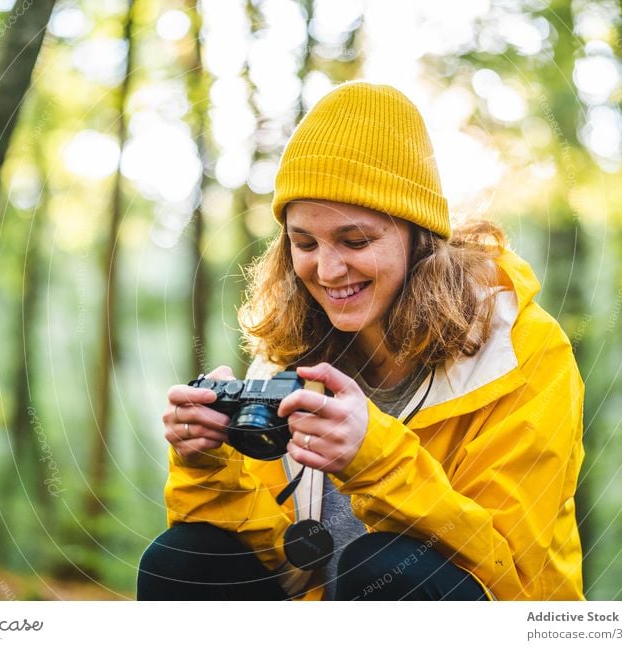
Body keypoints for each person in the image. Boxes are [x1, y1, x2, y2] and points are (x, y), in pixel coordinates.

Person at [137, 81, 585, 601]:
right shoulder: (288, 354)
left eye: (356, 241)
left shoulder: (522, 354)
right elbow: (280, 560)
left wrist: (372, 456)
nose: (327, 271)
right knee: (185, 557)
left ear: (420, 234)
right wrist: (206, 462)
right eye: (304, 243)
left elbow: (510, 575)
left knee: (386, 566)